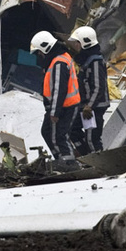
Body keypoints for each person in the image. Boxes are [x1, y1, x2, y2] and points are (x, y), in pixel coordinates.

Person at [30, 30, 81, 167]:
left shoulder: (59, 62)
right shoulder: (58, 59)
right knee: (48, 132)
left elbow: (59, 89)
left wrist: (54, 112)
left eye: (40, 51)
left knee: (59, 135)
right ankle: (62, 159)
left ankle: (68, 162)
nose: (40, 55)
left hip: (64, 107)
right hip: (63, 105)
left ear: (46, 47)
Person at [68, 26, 109, 155]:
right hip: (86, 105)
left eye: (77, 43)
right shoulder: (86, 60)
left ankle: (98, 162)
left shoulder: (95, 62)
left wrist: (89, 106)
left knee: (92, 139)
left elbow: (98, 86)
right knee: (72, 130)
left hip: (94, 107)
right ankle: (85, 156)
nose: (76, 46)